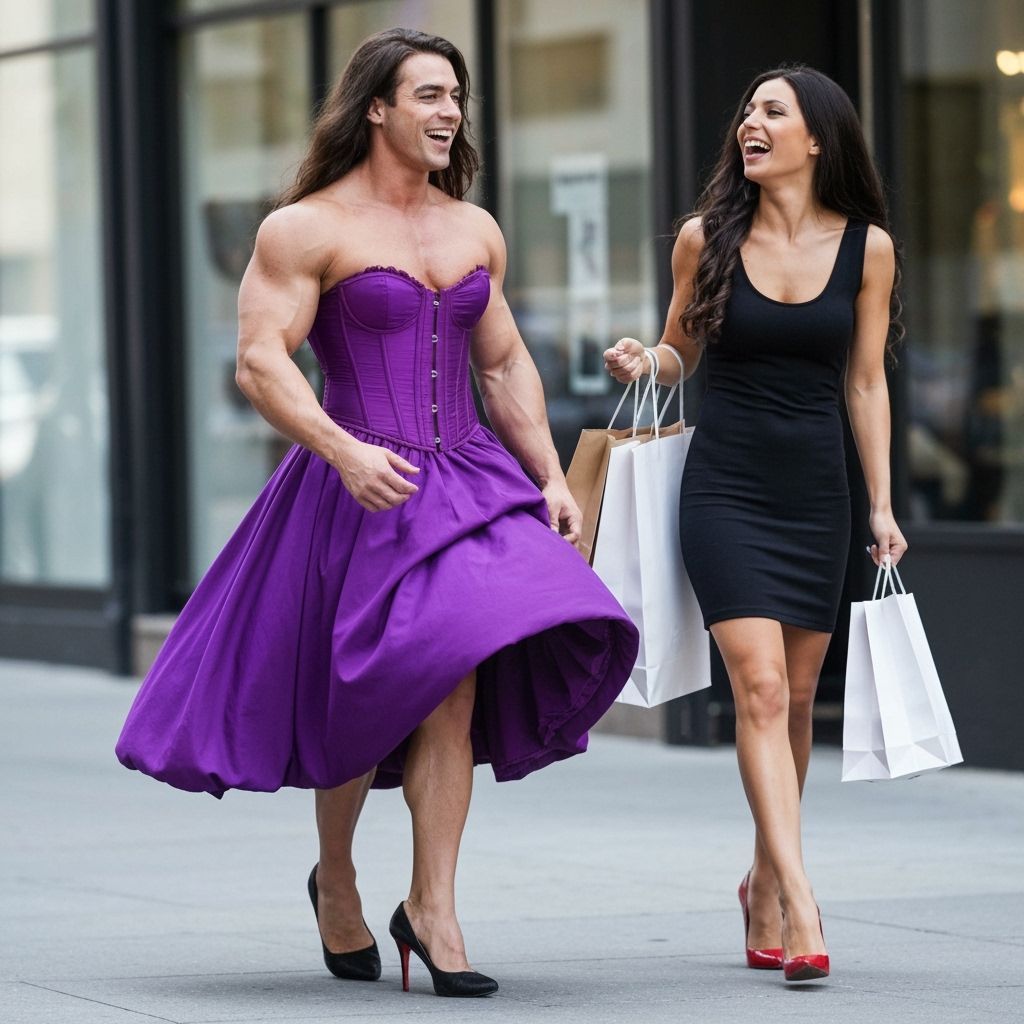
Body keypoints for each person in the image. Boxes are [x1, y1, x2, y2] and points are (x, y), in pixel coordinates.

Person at [116, 28, 638, 998]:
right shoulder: (303, 228)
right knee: (366, 683)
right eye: (430, 94)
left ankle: (433, 906)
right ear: (377, 108)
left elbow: (501, 360)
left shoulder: (474, 226)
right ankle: (340, 878)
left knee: (454, 673)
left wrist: (553, 476)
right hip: (357, 475)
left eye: (457, 97)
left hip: (470, 477)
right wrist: (342, 449)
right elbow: (261, 359)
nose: (449, 112)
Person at [604, 65, 906, 983]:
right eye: (746, 111)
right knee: (761, 692)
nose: (750, 124)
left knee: (799, 701)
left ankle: (763, 880)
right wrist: (642, 359)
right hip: (725, 489)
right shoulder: (707, 239)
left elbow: (865, 380)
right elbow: (680, 348)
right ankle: (804, 895)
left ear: (817, 137)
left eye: (772, 111)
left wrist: (883, 506)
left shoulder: (869, 249)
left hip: (817, 492)